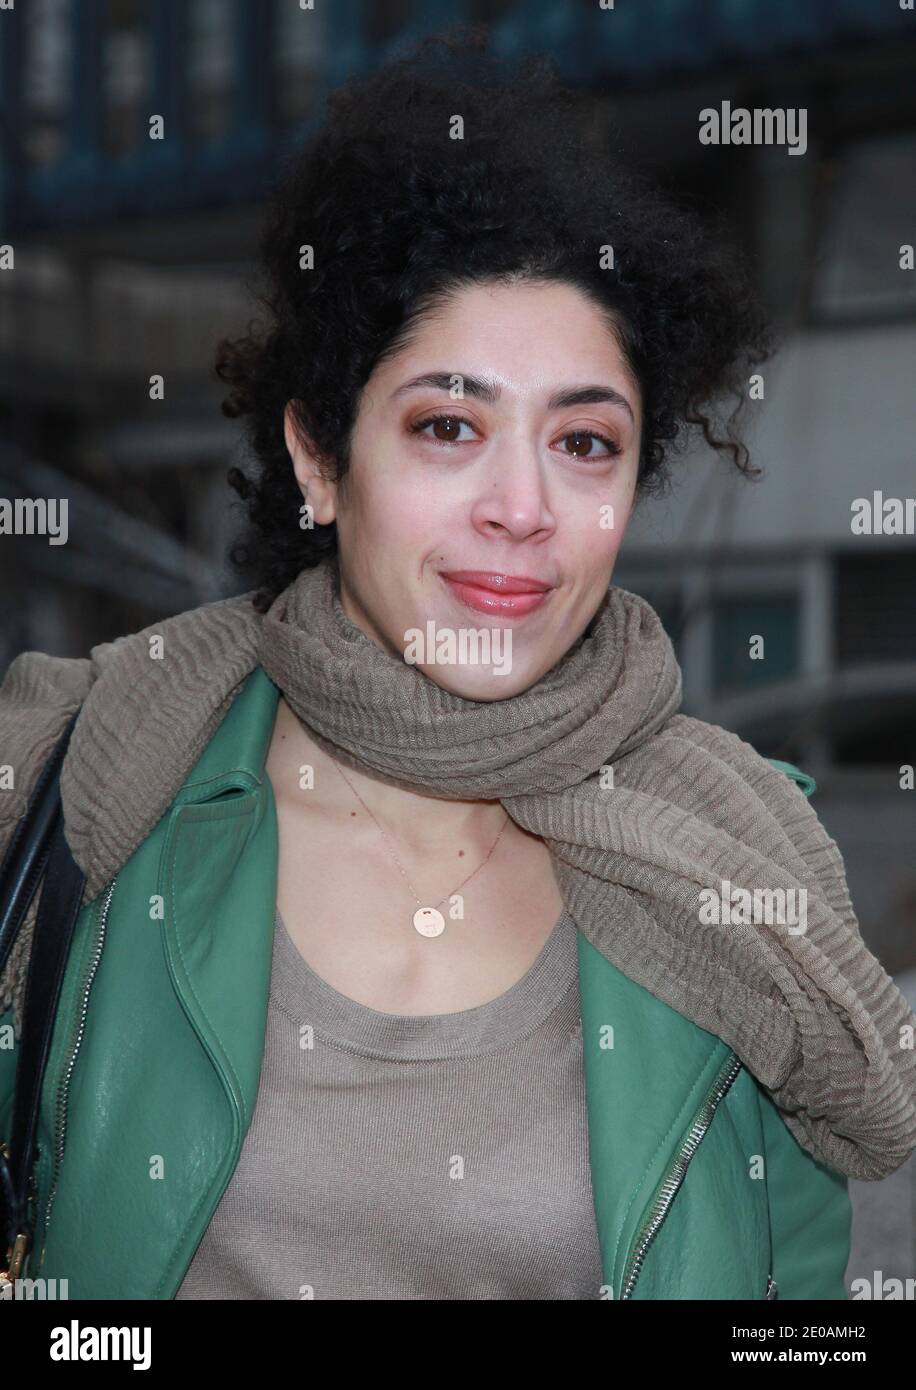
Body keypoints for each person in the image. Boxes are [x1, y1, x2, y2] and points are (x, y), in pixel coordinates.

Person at [1, 30, 914, 1302]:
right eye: (447, 425)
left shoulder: (747, 861)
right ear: (320, 460)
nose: (522, 505)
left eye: (585, 444)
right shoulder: (80, 777)